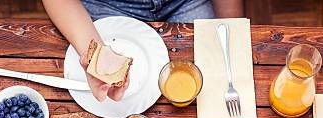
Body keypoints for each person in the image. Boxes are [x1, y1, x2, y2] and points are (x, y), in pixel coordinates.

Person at [43, 0, 244, 101]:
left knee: (214, 85)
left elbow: (231, 33)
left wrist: (231, 30)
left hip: (185, 2)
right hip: (105, 5)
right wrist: (96, 56)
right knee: (126, 101)